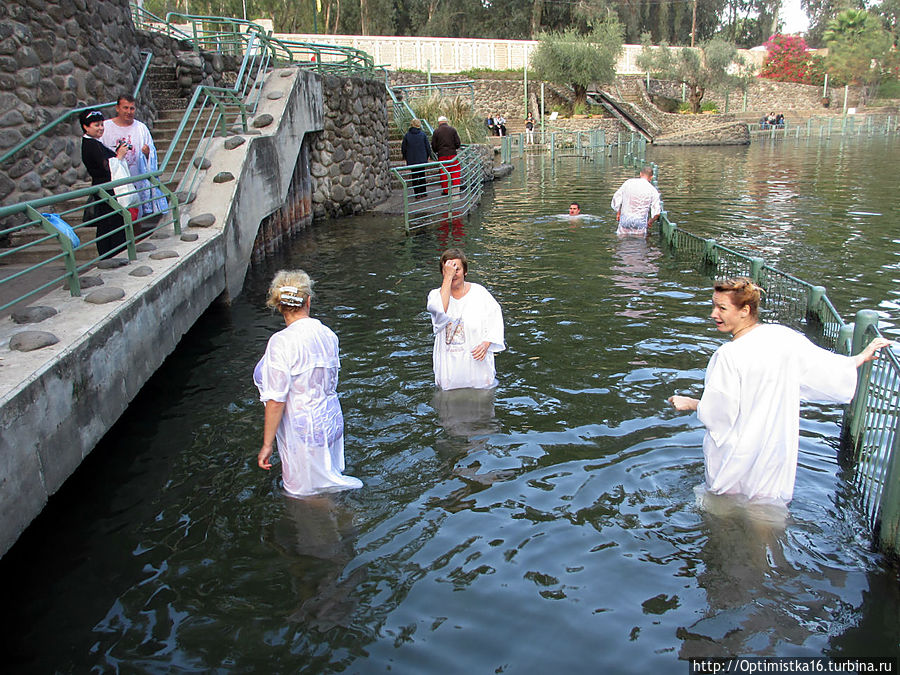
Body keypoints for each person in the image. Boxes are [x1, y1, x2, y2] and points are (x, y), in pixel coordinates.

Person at [668, 277, 891, 505]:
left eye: (722, 308)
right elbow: (825, 369)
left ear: (745, 310)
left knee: (722, 519)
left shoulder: (729, 355)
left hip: (736, 458)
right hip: (773, 454)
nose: (714, 314)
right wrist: (860, 357)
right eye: (714, 306)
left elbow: (719, 413)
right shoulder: (783, 337)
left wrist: (691, 402)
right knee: (768, 517)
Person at [254, 270, 363, 497]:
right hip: (330, 419)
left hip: (302, 427)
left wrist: (267, 444)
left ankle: (347, 522)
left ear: (279, 306)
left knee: (305, 494)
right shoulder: (328, 334)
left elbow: (276, 399)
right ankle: (345, 522)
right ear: (308, 301)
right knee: (327, 482)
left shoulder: (281, 342)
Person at [426, 248, 505, 390]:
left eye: (456, 269)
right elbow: (440, 312)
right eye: (448, 270)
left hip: (477, 370)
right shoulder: (435, 296)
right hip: (450, 371)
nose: (453, 274)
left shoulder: (480, 293)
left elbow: (496, 319)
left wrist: (487, 344)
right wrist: (448, 278)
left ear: (465, 272)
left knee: (481, 408)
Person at [80, 108, 129, 257]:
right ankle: (112, 255)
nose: (100, 128)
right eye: (96, 125)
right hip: (105, 191)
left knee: (112, 224)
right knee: (109, 225)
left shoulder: (93, 143)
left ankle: (114, 254)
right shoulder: (91, 145)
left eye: (102, 125)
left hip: (106, 190)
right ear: (85, 126)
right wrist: (118, 157)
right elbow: (105, 168)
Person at [611, 165, 661, 236]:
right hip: (640, 222)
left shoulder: (628, 183)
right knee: (639, 244)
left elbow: (616, 199)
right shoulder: (653, 190)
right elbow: (657, 213)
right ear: (651, 177)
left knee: (622, 241)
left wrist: (618, 212)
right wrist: (650, 221)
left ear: (640, 174)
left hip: (625, 219)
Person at [431, 116, 461, 196]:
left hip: (442, 155)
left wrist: (437, 151)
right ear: (446, 121)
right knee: (455, 172)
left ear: (439, 122)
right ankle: (456, 189)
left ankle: (446, 191)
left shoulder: (436, 132)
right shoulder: (452, 130)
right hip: (452, 154)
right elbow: (458, 143)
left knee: (444, 173)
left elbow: (434, 145)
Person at [400, 118, 431, 199]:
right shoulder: (423, 135)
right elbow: (427, 147)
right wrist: (427, 155)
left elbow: (404, 148)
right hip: (422, 159)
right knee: (422, 175)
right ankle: (423, 192)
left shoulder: (407, 135)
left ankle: (416, 193)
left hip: (412, 159)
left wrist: (405, 156)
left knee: (414, 175)